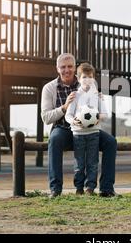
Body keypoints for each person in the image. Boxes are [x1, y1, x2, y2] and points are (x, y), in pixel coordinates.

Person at [41, 53, 118, 198]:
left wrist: (99, 99)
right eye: (63, 67)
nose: (67, 70)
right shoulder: (49, 88)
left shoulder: (86, 82)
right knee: (54, 140)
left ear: (75, 68)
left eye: (70, 66)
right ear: (57, 69)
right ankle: (55, 189)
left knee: (110, 142)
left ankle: (106, 189)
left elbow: (99, 105)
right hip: (63, 128)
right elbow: (46, 118)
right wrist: (64, 107)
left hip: (88, 130)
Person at [65, 63, 108, 195]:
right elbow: (68, 115)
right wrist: (74, 121)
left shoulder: (97, 96)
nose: (87, 80)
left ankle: (90, 187)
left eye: (90, 77)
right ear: (78, 78)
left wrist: (97, 117)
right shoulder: (75, 96)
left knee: (92, 162)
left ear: (94, 78)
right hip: (78, 134)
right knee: (79, 163)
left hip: (93, 133)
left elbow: (105, 114)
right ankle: (78, 188)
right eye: (84, 77)